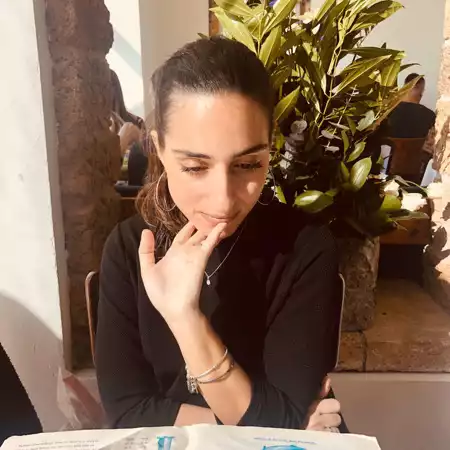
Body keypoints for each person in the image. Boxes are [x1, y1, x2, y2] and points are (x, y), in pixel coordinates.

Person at [96, 37, 343, 431]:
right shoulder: (130, 249)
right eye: (195, 167)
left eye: (248, 164)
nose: (224, 199)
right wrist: (267, 422)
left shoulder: (304, 248)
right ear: (159, 149)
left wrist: (185, 319)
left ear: (270, 150)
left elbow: (283, 417)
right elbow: (126, 412)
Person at [388, 74, 436, 140]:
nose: (421, 95)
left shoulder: (388, 112)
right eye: (422, 90)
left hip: (390, 146)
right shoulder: (429, 115)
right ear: (417, 88)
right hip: (417, 147)